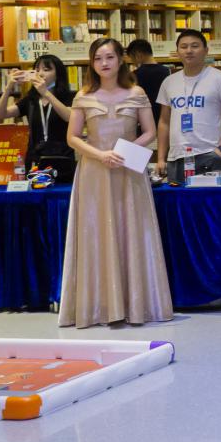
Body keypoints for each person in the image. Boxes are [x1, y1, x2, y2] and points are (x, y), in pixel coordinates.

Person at [59, 38, 172, 328]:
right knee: (96, 232)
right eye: (98, 58)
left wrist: (124, 151)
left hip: (128, 170)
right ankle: (99, 307)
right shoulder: (83, 95)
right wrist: (100, 155)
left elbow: (149, 131)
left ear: (121, 60)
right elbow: (72, 137)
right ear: (91, 63)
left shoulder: (137, 92)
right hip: (93, 172)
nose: (104, 63)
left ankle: (137, 305)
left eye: (109, 57)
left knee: (132, 229)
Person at [155, 29, 221, 184]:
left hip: (208, 154)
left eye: (195, 46)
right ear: (177, 52)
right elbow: (164, 121)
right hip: (175, 157)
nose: (189, 51)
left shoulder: (220, 79)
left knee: (207, 199)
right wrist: (161, 158)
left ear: (206, 51)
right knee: (177, 199)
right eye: (184, 47)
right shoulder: (169, 82)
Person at [0, 54, 77, 181]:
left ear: (58, 74)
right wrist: (8, 88)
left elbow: (69, 117)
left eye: (46, 69)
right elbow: (1, 114)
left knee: (62, 192)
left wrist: (46, 92)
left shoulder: (69, 97)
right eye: (37, 70)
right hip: (35, 160)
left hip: (62, 160)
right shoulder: (31, 100)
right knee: (35, 192)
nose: (40, 74)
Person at [127, 39, 170, 125]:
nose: (133, 62)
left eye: (132, 58)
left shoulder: (135, 75)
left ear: (138, 55)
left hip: (144, 118)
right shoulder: (167, 71)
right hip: (164, 116)